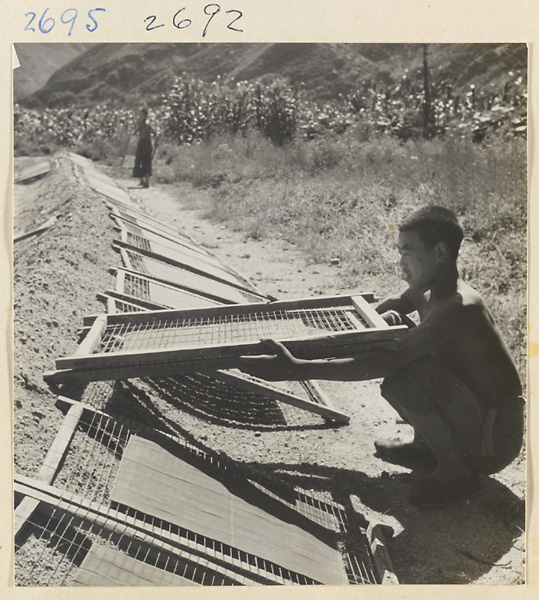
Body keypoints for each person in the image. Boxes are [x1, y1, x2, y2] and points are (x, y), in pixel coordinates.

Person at [238, 206, 524, 507]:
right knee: (388, 327)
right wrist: (295, 319)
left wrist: (296, 368)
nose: (400, 263)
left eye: (407, 252)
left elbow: (387, 361)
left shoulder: (459, 305)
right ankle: (428, 445)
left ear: (440, 253)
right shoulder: (425, 292)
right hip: (474, 417)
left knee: (408, 373)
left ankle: (457, 473)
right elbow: (363, 323)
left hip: (496, 437)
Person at [132, 108, 157, 188]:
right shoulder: (146, 123)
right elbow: (154, 132)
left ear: (145, 115)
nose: (140, 116)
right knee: (144, 162)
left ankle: (145, 181)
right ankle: (144, 181)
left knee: (142, 161)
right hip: (146, 143)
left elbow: (135, 132)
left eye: (142, 115)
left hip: (144, 143)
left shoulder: (143, 123)